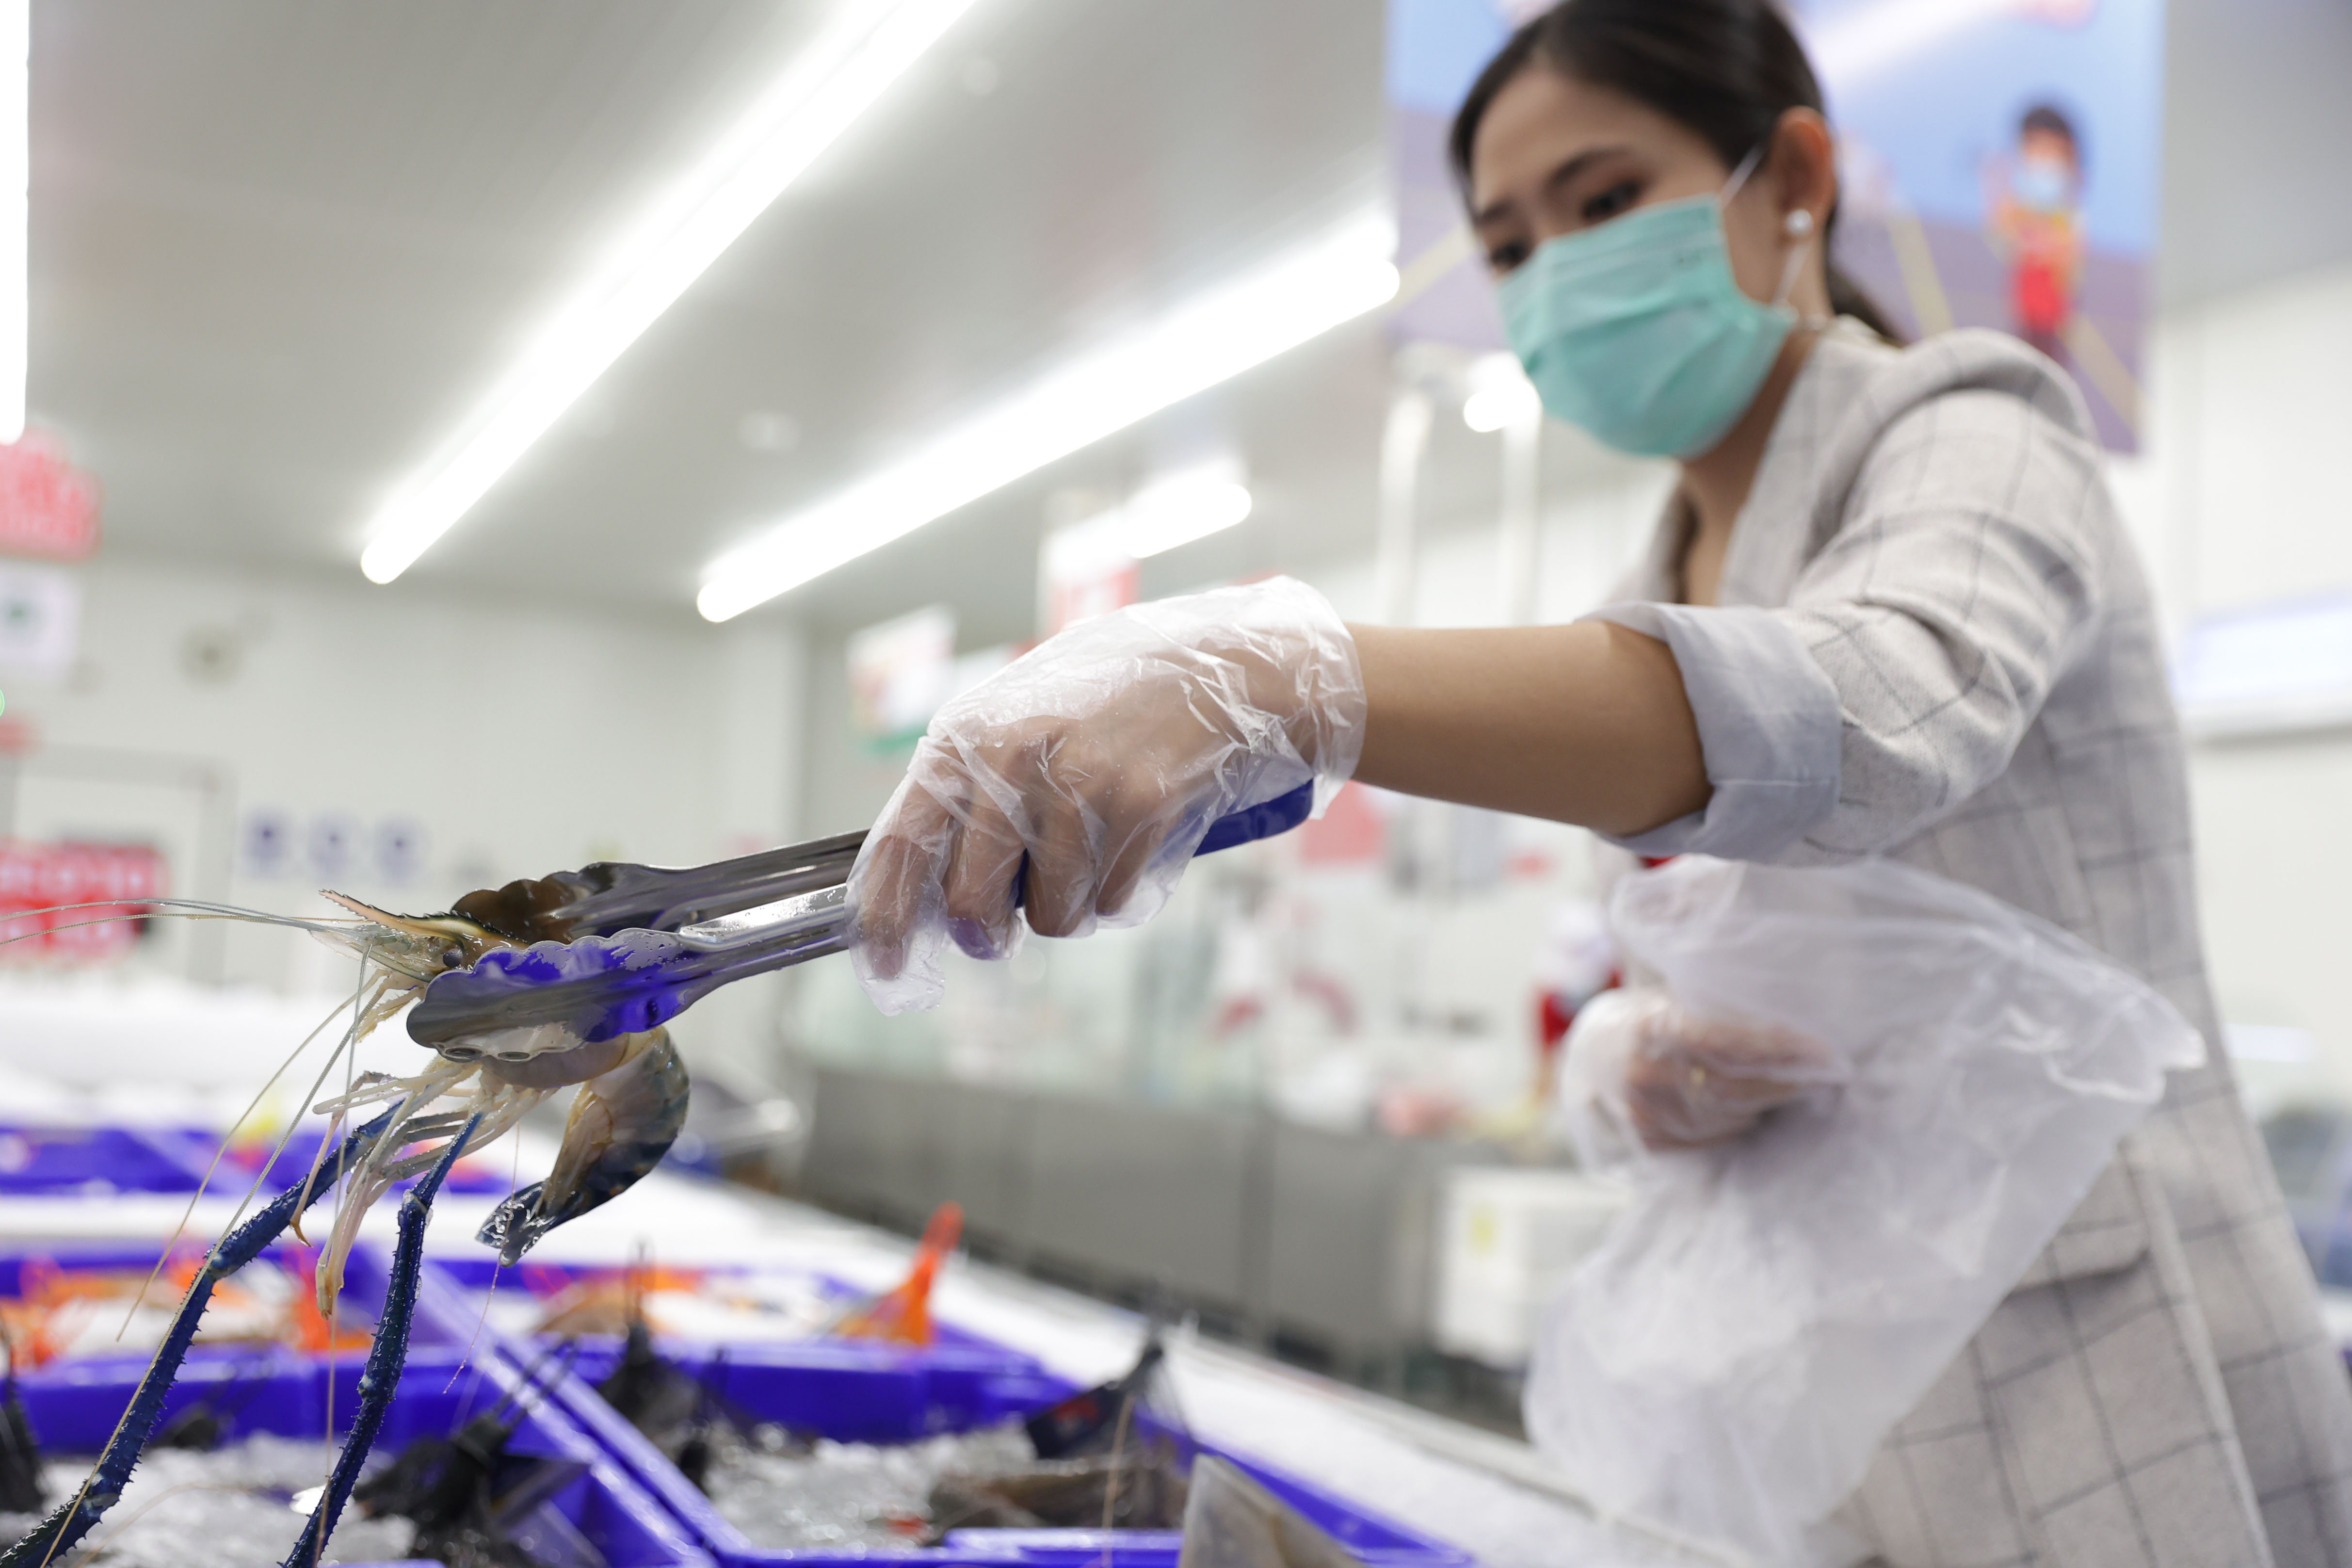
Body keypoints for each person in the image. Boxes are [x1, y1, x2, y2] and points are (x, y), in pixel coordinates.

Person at [847, 0, 2352, 1558]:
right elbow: (1667, 952)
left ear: (1792, 180)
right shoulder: (1646, 590)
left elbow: (1865, 711)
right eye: (1507, 245)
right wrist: (1629, 1064)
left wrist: (1296, 675)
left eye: (1605, 198)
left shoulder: (1977, 429)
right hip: (1837, 1392)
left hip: (2096, 1357)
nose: (1555, 272)